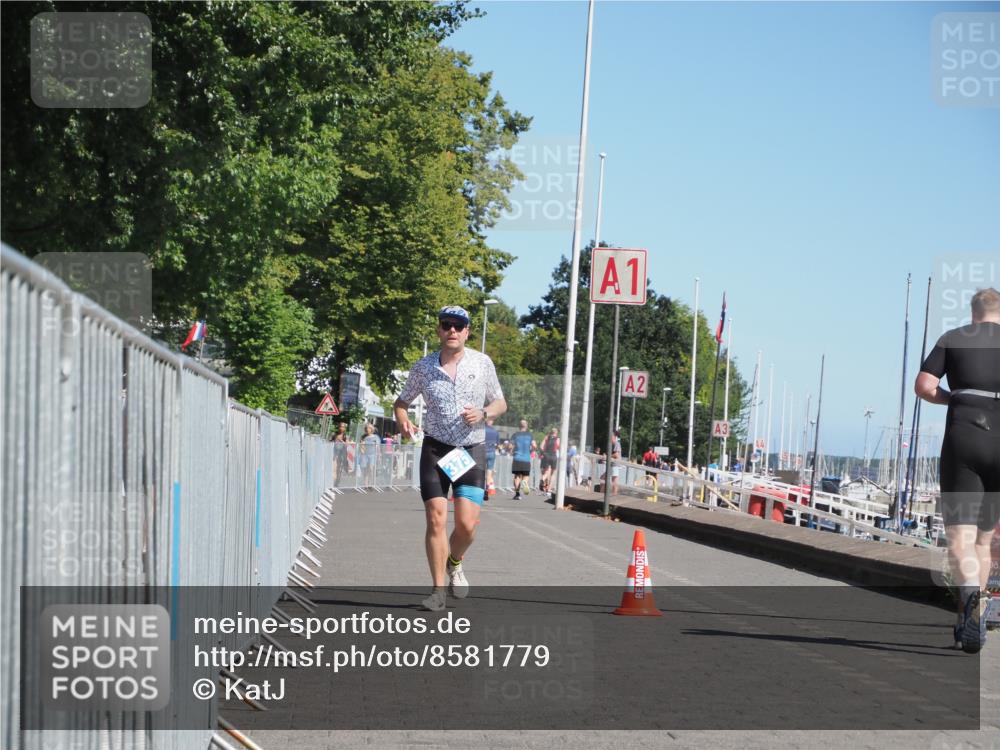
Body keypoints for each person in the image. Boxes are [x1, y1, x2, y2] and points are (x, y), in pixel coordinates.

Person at [393, 305, 507, 611]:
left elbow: (500, 402)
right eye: (446, 325)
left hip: (470, 449)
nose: (452, 330)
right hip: (435, 448)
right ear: (439, 330)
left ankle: (454, 562)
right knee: (436, 519)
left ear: (468, 331)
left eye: (459, 326)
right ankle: (437, 592)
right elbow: (401, 402)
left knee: (468, 525)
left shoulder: (482, 363)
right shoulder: (424, 367)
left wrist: (484, 412)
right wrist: (403, 419)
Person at [915, 287, 1000, 653]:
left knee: (960, 540)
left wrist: (956, 396)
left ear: (973, 312)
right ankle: (974, 617)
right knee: (984, 541)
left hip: (965, 438)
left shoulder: (953, 338)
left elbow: (924, 386)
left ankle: (968, 599)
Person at [510, 419, 534, 500]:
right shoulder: (530, 435)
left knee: (517, 476)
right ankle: (524, 482)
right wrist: (531, 450)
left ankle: (517, 494)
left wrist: (510, 450)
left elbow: (510, 446)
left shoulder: (515, 435)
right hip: (526, 459)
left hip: (517, 458)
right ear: (526, 426)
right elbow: (534, 445)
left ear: (519, 426)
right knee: (526, 476)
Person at [358, 422, 381, 487]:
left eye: (368, 428)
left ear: (371, 429)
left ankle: (371, 483)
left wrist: (379, 455)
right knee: (365, 469)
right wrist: (362, 450)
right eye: (366, 428)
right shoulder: (363, 437)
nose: (367, 429)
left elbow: (378, 446)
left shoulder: (376, 437)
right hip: (365, 455)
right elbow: (361, 445)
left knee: (371, 468)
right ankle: (366, 484)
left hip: (372, 454)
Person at [539, 427, 560, 497]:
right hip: (553, 456)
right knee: (553, 473)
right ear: (556, 433)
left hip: (546, 455)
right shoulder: (558, 439)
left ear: (551, 432)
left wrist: (544, 453)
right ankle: (549, 489)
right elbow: (559, 447)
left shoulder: (546, 438)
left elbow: (541, 446)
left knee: (546, 471)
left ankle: (542, 479)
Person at [484, 418, 499, 499]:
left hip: (482, 452)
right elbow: (497, 444)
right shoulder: (495, 432)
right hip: (491, 453)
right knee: (489, 473)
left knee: (481, 472)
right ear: (492, 421)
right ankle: (487, 489)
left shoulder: (482, 430)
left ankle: (481, 489)